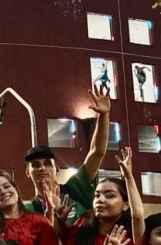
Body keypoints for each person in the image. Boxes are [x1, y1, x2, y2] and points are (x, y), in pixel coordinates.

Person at [22, 84, 112, 227]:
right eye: (35, 165)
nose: (42, 168)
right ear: (27, 172)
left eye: (47, 163)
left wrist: (103, 116)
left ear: (56, 168)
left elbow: (97, 152)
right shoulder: (28, 211)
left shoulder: (75, 188)